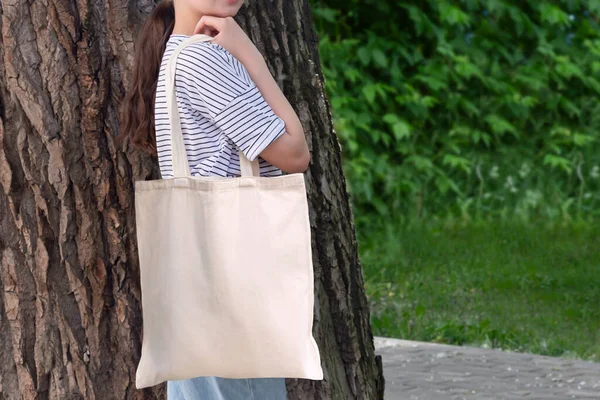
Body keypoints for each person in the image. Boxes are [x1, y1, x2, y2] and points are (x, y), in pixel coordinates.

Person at [118, 0, 311, 398]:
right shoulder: (206, 58)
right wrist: (251, 55)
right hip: (232, 285)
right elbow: (295, 154)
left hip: (196, 282)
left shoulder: (175, 50)